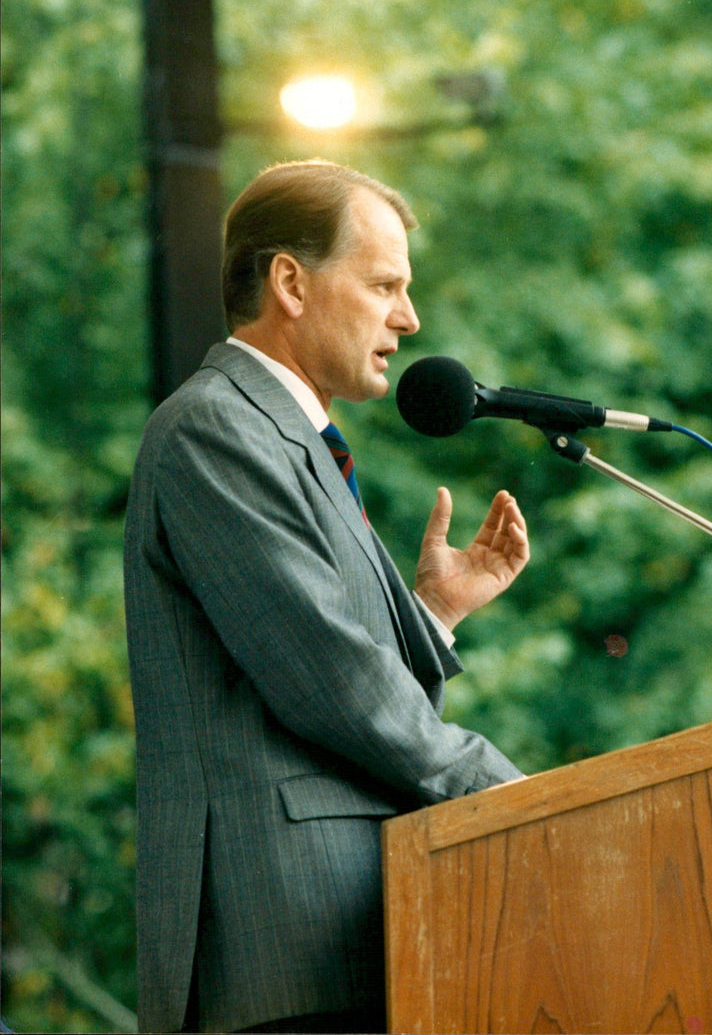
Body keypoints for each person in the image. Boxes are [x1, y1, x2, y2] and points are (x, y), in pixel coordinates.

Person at [124, 159, 529, 1034]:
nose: (409, 319)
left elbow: (318, 656)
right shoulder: (214, 429)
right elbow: (333, 681)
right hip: (279, 952)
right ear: (291, 283)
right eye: (384, 283)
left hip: (345, 938)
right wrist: (517, 799)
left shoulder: (290, 436)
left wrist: (432, 612)